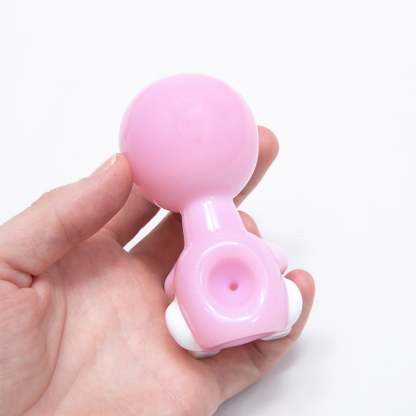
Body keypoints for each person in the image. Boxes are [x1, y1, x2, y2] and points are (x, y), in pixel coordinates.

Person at [0, 127, 314, 416]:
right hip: (235, 313)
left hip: (226, 314)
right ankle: (262, 319)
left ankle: (241, 325)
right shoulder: (211, 257)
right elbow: (274, 257)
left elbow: (174, 284)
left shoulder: (198, 260)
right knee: (191, 324)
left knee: (193, 323)